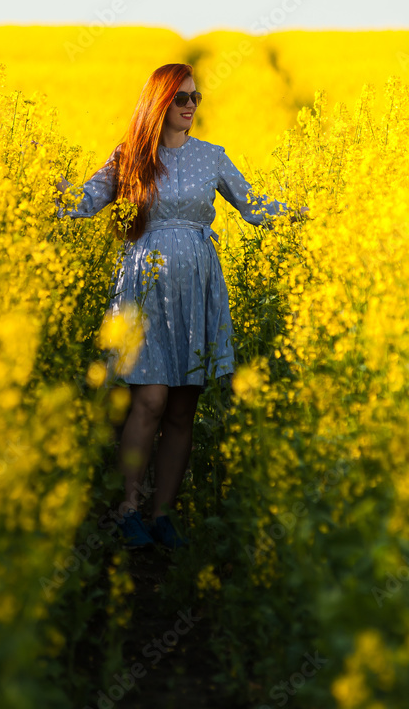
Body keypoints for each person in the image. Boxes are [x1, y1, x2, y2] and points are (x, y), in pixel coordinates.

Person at [55, 63, 307, 551]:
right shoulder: (130, 157)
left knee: (182, 409)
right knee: (149, 399)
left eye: (196, 98)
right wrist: (42, 191)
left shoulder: (212, 157)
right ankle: (129, 505)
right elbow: (87, 199)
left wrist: (304, 207)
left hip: (198, 286)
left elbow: (253, 207)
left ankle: (162, 513)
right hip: (145, 288)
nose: (192, 106)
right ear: (160, 103)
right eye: (182, 98)